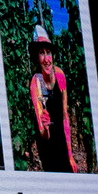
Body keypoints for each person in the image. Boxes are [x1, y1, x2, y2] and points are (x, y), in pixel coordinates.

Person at [28, 25, 76, 172]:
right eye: (41, 53)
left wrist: (70, 155)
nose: (46, 59)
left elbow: (65, 116)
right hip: (46, 141)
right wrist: (46, 128)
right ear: (37, 57)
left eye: (48, 52)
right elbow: (43, 133)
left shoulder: (60, 75)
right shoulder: (36, 82)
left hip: (61, 134)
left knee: (68, 168)